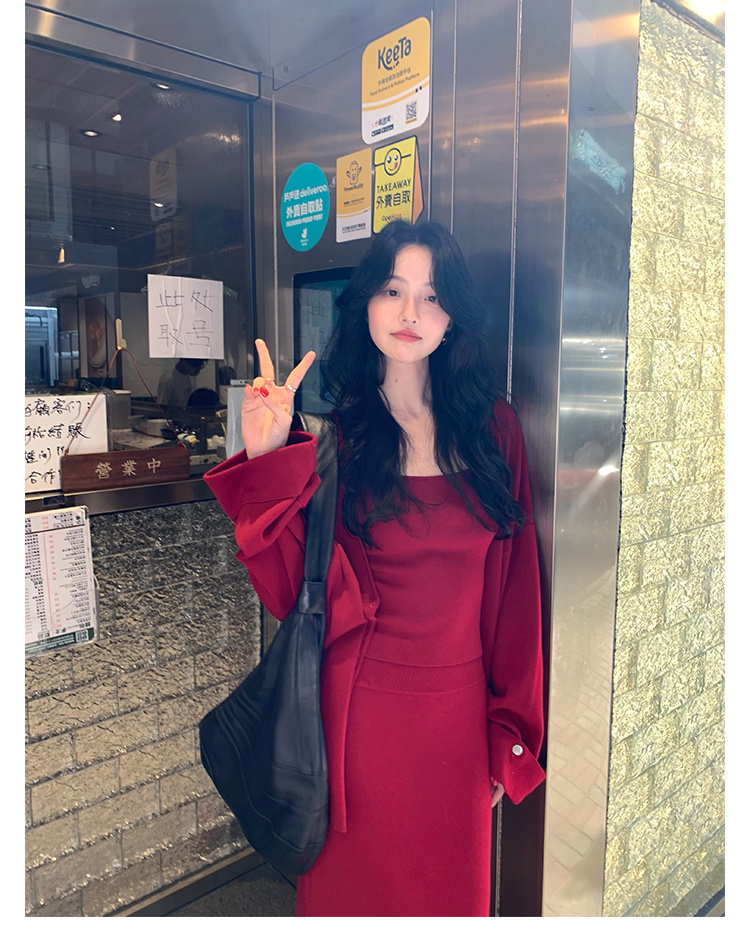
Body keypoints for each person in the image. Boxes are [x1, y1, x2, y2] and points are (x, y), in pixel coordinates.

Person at [204, 220, 545, 917]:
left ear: (453, 316)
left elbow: (517, 598)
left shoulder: (495, 431)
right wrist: (266, 455)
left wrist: (509, 731)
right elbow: (288, 592)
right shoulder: (342, 438)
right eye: (393, 290)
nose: (411, 311)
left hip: (456, 726)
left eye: (432, 295)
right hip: (354, 723)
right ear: (365, 304)